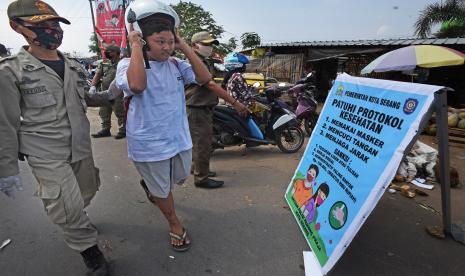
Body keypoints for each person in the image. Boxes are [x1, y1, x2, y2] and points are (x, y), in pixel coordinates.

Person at [0, 1, 108, 275]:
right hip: (45, 151)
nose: (53, 31)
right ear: (18, 27)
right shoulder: (10, 70)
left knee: (87, 190)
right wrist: (6, 169)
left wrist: (116, 91)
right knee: (65, 204)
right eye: (42, 26)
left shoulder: (71, 65)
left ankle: (77, 221)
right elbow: (6, 124)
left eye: (55, 24)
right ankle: (90, 251)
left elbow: (87, 98)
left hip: (80, 146)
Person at [115, 0, 212, 252]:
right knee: (163, 188)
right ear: (145, 40)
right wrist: (134, 45)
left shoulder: (177, 64)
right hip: (149, 142)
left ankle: (152, 186)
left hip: (178, 138)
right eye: (161, 41)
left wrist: (182, 46)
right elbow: (137, 86)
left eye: (170, 41)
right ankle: (175, 224)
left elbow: (205, 78)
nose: (167, 47)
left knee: (179, 178)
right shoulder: (127, 64)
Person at [186, 32, 248, 189]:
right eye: (206, 44)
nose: (209, 48)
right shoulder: (194, 63)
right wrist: (235, 103)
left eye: (211, 44)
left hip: (202, 107)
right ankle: (201, 178)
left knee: (200, 143)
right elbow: (211, 85)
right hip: (197, 108)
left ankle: (198, 169)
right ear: (194, 45)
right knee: (203, 144)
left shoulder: (203, 62)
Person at [90, 44, 126, 139]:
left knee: (120, 111)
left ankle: (123, 130)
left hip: (118, 93)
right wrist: (93, 86)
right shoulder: (104, 63)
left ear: (116, 53)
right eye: (107, 51)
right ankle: (105, 129)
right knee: (104, 111)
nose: (107, 53)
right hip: (105, 92)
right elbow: (97, 75)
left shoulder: (123, 63)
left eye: (110, 51)